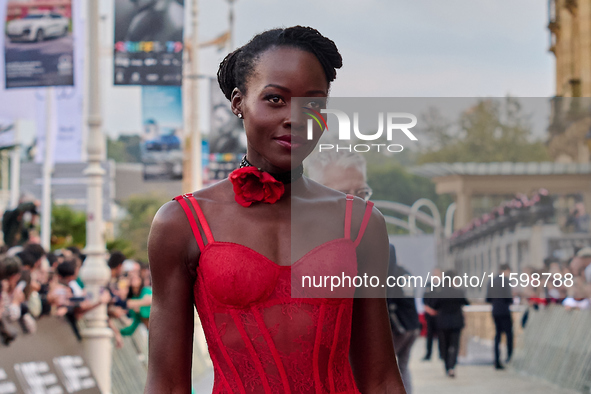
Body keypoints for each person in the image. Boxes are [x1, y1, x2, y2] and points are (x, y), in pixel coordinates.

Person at [145, 26, 405, 393]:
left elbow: (380, 379)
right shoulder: (181, 223)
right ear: (238, 103)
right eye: (275, 99)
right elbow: (167, 385)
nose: (296, 118)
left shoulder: (361, 223)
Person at [307, 150, 419, 394]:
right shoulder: (286, 248)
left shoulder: (380, 249)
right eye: (342, 194)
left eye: (362, 194)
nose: (356, 204)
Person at [431, 271, 469, 378]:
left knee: (444, 345)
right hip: (456, 322)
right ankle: (452, 367)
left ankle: (447, 366)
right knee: (455, 345)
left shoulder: (439, 292)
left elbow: (434, 306)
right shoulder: (459, 292)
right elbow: (466, 303)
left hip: (442, 322)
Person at [486, 263, 514, 370]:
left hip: (495, 311)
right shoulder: (506, 281)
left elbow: (487, 298)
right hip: (505, 311)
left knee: (497, 336)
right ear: (506, 270)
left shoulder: (491, 281)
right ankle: (509, 356)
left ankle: (496, 360)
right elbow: (509, 298)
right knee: (508, 334)